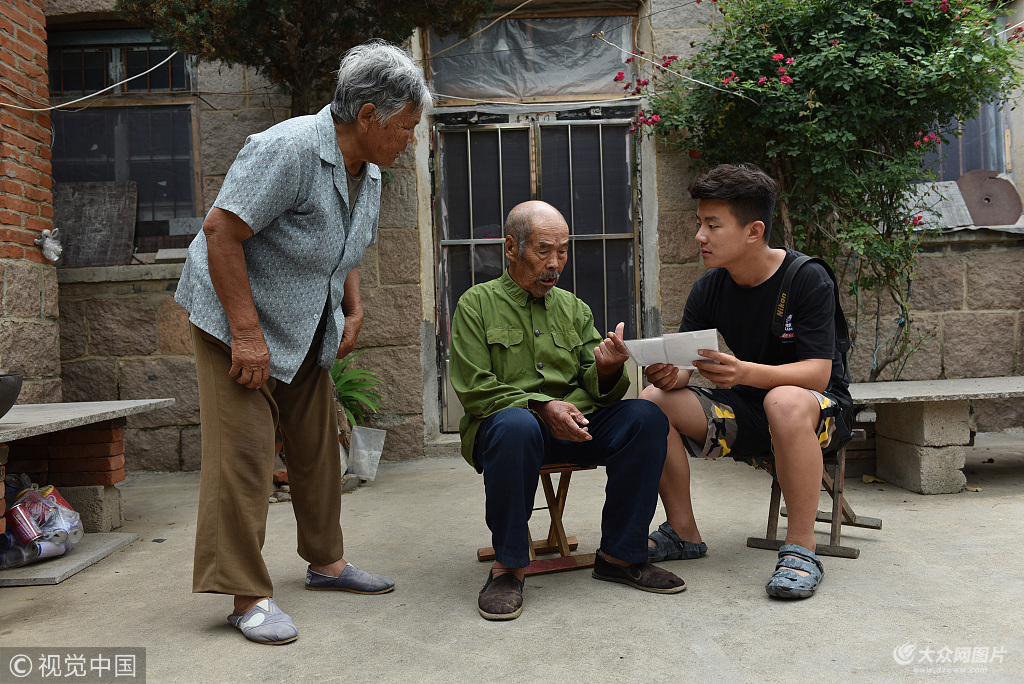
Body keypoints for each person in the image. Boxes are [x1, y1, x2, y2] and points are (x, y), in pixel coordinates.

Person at [174, 41, 430, 644]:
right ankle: (246, 597)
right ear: (369, 116)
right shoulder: (285, 149)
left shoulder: (368, 170)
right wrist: (245, 335)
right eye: (406, 126)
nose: (410, 139)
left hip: (303, 324)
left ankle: (327, 563)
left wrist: (354, 305)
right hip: (235, 322)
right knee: (244, 453)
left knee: (318, 445)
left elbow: (344, 244)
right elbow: (220, 232)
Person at [450, 200, 686, 621]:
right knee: (517, 424)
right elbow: (475, 390)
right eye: (544, 250)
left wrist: (607, 367)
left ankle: (620, 555)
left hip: (574, 427)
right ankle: (508, 567)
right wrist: (544, 408)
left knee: (645, 418)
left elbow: (597, 389)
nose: (555, 263)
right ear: (511, 248)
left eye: (563, 251)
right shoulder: (475, 305)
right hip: (511, 432)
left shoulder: (574, 309)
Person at [640, 163, 853, 600]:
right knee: (651, 399)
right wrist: (670, 372)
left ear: (754, 230)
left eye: (712, 225)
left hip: (817, 412)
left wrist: (744, 373)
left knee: (785, 401)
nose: (700, 235)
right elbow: (687, 362)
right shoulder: (710, 288)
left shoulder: (806, 278)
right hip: (748, 410)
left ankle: (801, 550)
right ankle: (683, 532)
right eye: (700, 223)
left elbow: (818, 372)